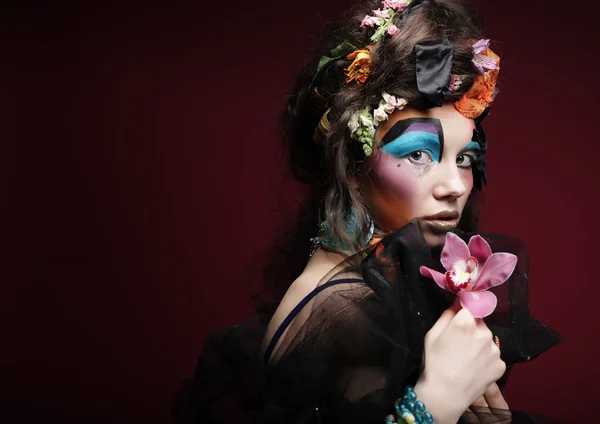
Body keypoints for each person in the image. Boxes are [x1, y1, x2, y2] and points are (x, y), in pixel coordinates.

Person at [173, 0, 562, 422]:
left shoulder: (370, 284)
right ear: (351, 166)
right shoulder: (348, 310)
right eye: (418, 154)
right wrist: (436, 400)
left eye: (465, 158)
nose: (453, 186)